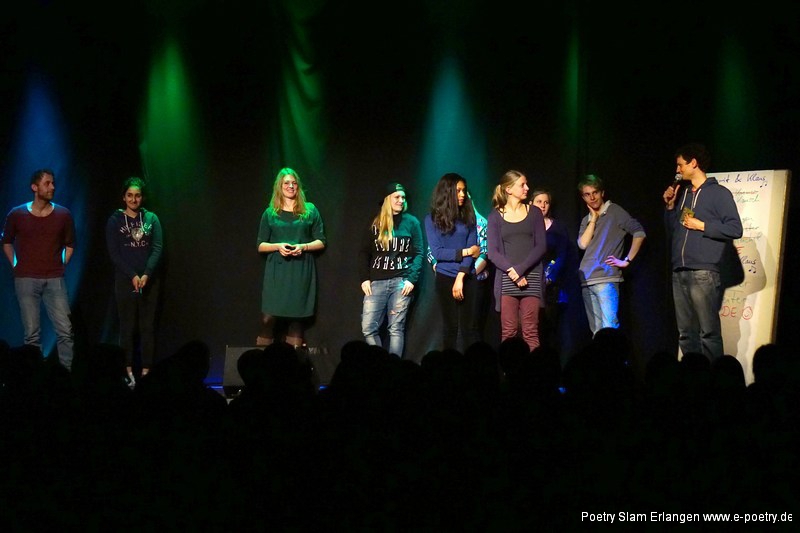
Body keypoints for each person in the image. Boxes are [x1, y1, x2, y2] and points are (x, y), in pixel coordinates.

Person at [663, 143, 742, 362]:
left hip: (703, 272)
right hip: (679, 271)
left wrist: (703, 225)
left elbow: (735, 229)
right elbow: (675, 231)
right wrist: (670, 207)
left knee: (708, 333)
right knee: (686, 334)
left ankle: (713, 377)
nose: (677, 170)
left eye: (680, 165)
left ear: (693, 163)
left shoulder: (719, 193)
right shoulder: (685, 195)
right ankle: (692, 377)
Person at [1, 169, 76, 371]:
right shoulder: (17, 214)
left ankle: (66, 374)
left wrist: (61, 264)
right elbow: (6, 242)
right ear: (35, 187)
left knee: (65, 330)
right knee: (32, 334)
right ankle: (34, 376)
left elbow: (70, 244)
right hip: (26, 279)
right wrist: (15, 264)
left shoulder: (63, 214)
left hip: (55, 279)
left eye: (53, 183)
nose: (52, 187)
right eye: (47, 183)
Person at [257, 168, 326, 348]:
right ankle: (261, 360)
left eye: (294, 183)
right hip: (277, 270)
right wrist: (278, 246)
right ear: (279, 187)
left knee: (297, 320)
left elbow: (321, 241)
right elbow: (260, 245)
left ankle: (293, 362)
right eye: (286, 183)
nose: (291, 186)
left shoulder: (310, 210)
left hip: (301, 269)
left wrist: (303, 247)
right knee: (268, 318)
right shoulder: (270, 213)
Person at [105, 177, 164, 386]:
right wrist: (132, 275)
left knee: (147, 327)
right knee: (127, 327)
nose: (133, 199)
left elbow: (157, 247)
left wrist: (146, 274)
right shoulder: (115, 221)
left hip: (149, 282)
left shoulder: (151, 218)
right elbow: (114, 253)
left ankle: (147, 371)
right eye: (129, 195)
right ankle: (128, 371)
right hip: (125, 281)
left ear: (142, 197)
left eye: (137, 195)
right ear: (124, 197)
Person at [358, 182, 424, 358]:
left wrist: (411, 279)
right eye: (397, 197)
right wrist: (364, 279)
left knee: (396, 328)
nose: (401, 200)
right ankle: (381, 365)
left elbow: (419, 252)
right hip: (377, 282)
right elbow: (364, 252)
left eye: (403, 197)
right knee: (368, 328)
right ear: (387, 199)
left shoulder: (411, 222)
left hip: (401, 282)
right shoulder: (375, 222)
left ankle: (394, 368)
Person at [576, 174, 645, 336]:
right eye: (587, 194)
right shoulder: (586, 219)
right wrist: (593, 219)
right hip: (587, 279)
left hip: (606, 279)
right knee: (596, 331)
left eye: (595, 192)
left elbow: (639, 232)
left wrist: (626, 260)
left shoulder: (614, 211)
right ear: (583, 197)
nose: (592, 197)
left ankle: (612, 354)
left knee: (609, 328)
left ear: (602, 193)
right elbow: (582, 244)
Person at [487, 170, 547, 352]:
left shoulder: (534, 213)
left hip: (531, 279)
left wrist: (520, 270)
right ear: (508, 189)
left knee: (530, 332)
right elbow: (493, 252)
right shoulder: (496, 216)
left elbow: (541, 246)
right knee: (509, 332)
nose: (527, 188)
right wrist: (513, 273)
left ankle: (534, 369)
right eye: (522, 185)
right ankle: (509, 368)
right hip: (507, 281)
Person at [424, 173, 482, 352]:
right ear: (447, 192)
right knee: (450, 327)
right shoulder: (431, 219)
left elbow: (474, 248)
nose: (463, 194)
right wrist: (465, 252)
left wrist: (461, 277)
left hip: (467, 276)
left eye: (464, 190)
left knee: (470, 328)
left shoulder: (469, 217)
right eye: (458, 191)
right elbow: (438, 252)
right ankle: (449, 365)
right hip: (444, 277)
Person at [530, 189, 571, 354]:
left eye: (546, 202)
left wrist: (550, 275)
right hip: (531, 282)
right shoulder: (526, 227)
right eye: (539, 202)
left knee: (551, 327)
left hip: (551, 285)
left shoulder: (558, 227)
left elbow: (563, 254)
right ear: (531, 204)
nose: (543, 205)